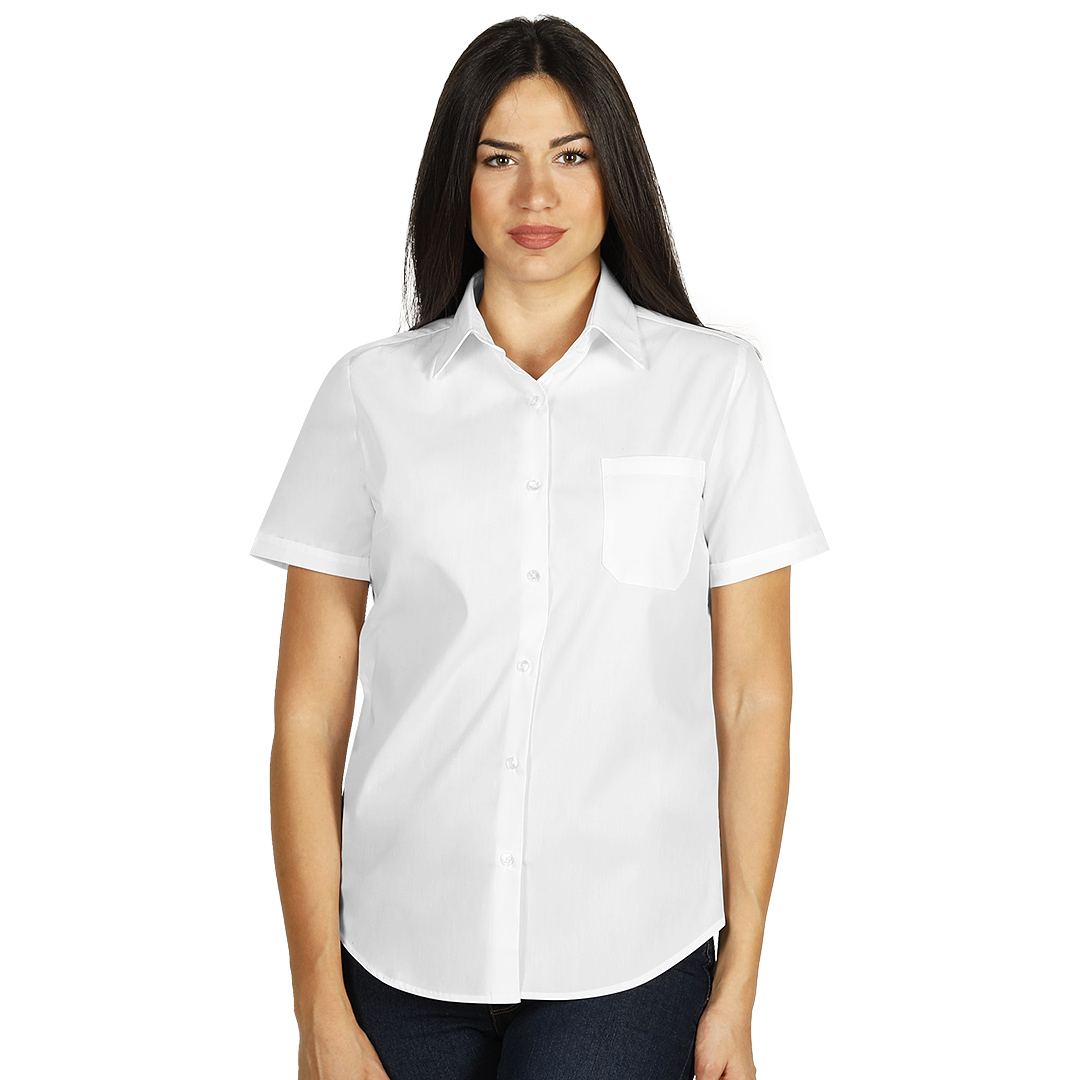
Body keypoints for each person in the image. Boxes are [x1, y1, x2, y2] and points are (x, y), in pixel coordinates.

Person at [249, 14, 828, 1080]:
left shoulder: (715, 390)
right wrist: (317, 1004)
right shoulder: (369, 398)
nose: (535, 197)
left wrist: (740, 986)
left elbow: (755, 699)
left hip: (632, 956)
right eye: (497, 159)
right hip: (398, 953)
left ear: (615, 174)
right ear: (456, 180)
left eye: (570, 157)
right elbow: (306, 718)